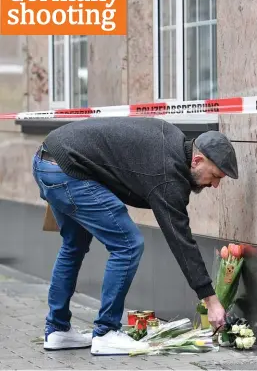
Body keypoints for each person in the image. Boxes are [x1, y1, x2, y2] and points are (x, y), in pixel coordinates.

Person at [32, 117, 238, 355]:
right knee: (128, 244)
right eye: (216, 176)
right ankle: (106, 331)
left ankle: (57, 330)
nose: (214, 186)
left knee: (74, 245)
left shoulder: (172, 140)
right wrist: (211, 301)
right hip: (68, 170)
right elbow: (181, 241)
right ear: (197, 160)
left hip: (48, 160)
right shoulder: (167, 175)